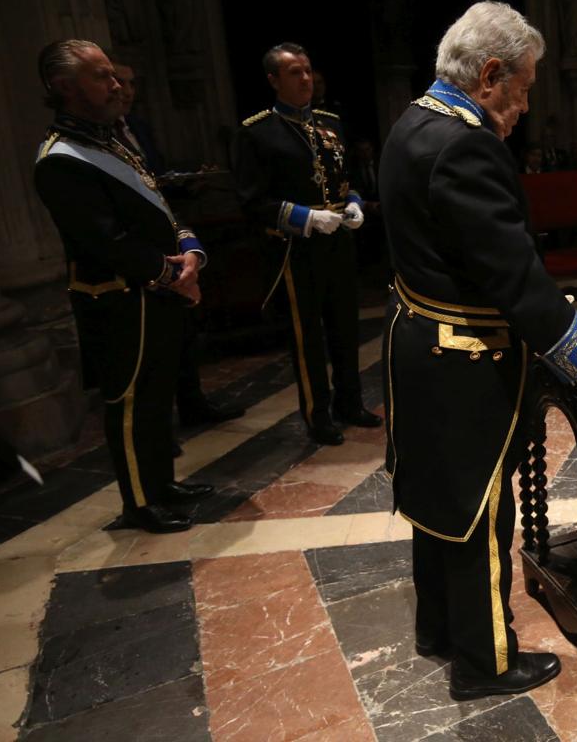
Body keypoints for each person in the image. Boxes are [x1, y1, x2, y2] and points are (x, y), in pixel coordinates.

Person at [377, 1, 577, 701]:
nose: (526, 106)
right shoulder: (466, 145)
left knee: (438, 500)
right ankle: (486, 661)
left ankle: (440, 628)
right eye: (525, 88)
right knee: (481, 507)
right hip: (465, 358)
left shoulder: (413, 124)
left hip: (421, 344)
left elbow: (473, 265)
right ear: (491, 74)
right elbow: (514, 277)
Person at [34, 40, 215, 533]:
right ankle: (139, 501)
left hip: (154, 290)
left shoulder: (111, 140)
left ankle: (161, 484)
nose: (116, 86)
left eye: (113, 75)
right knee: (131, 402)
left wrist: (191, 253)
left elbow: (160, 211)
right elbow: (107, 240)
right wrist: (173, 277)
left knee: (158, 396)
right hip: (116, 298)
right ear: (65, 87)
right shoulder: (62, 158)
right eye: (101, 77)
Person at [234, 43, 382, 445]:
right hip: (296, 249)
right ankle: (318, 414)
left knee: (346, 327)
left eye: (307, 70)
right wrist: (306, 218)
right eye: (294, 73)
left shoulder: (330, 122)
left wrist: (352, 204)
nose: (305, 79)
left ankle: (350, 403)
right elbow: (252, 201)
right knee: (309, 336)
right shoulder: (258, 131)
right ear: (273, 80)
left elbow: (342, 177)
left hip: (338, 241)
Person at [111, 62, 244, 442]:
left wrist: (189, 185)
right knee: (151, 353)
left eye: (131, 83)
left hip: (170, 237)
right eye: (117, 81)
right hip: (138, 257)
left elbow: (157, 180)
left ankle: (192, 403)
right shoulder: (96, 141)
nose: (125, 90)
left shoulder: (138, 128)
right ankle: (157, 436)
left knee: (184, 336)